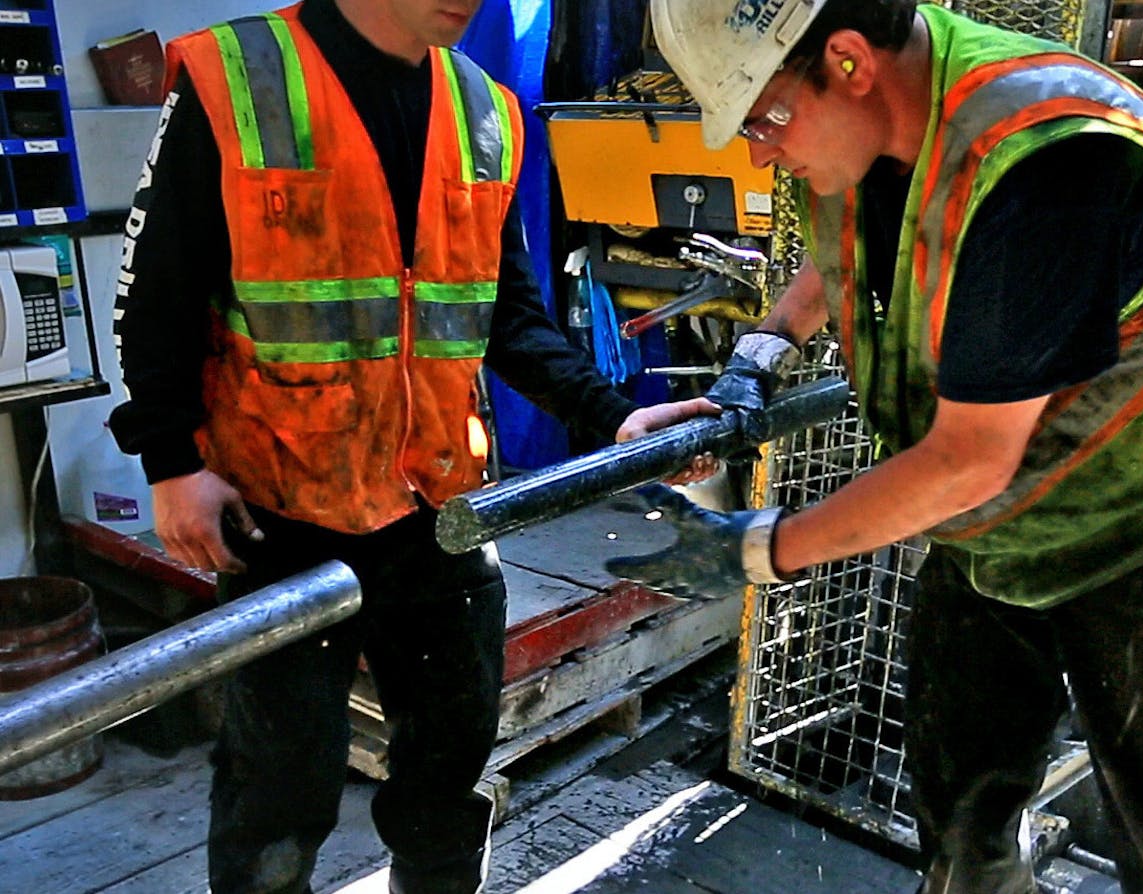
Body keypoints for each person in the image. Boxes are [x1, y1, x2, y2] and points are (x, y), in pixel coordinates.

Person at [608, 2, 1143, 892]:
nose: (756, 150)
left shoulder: (1048, 159)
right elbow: (851, 245)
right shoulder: (878, 114)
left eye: (762, 118)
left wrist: (755, 550)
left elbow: (965, 461)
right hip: (1010, 486)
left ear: (849, 59)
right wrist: (756, 360)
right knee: (962, 778)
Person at [107, 1, 713, 892]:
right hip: (282, 510)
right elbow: (154, 292)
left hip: (441, 512)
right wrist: (170, 464)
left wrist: (611, 413)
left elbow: (506, 317)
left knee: (448, 777)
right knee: (277, 787)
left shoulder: (486, 110)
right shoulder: (236, 76)